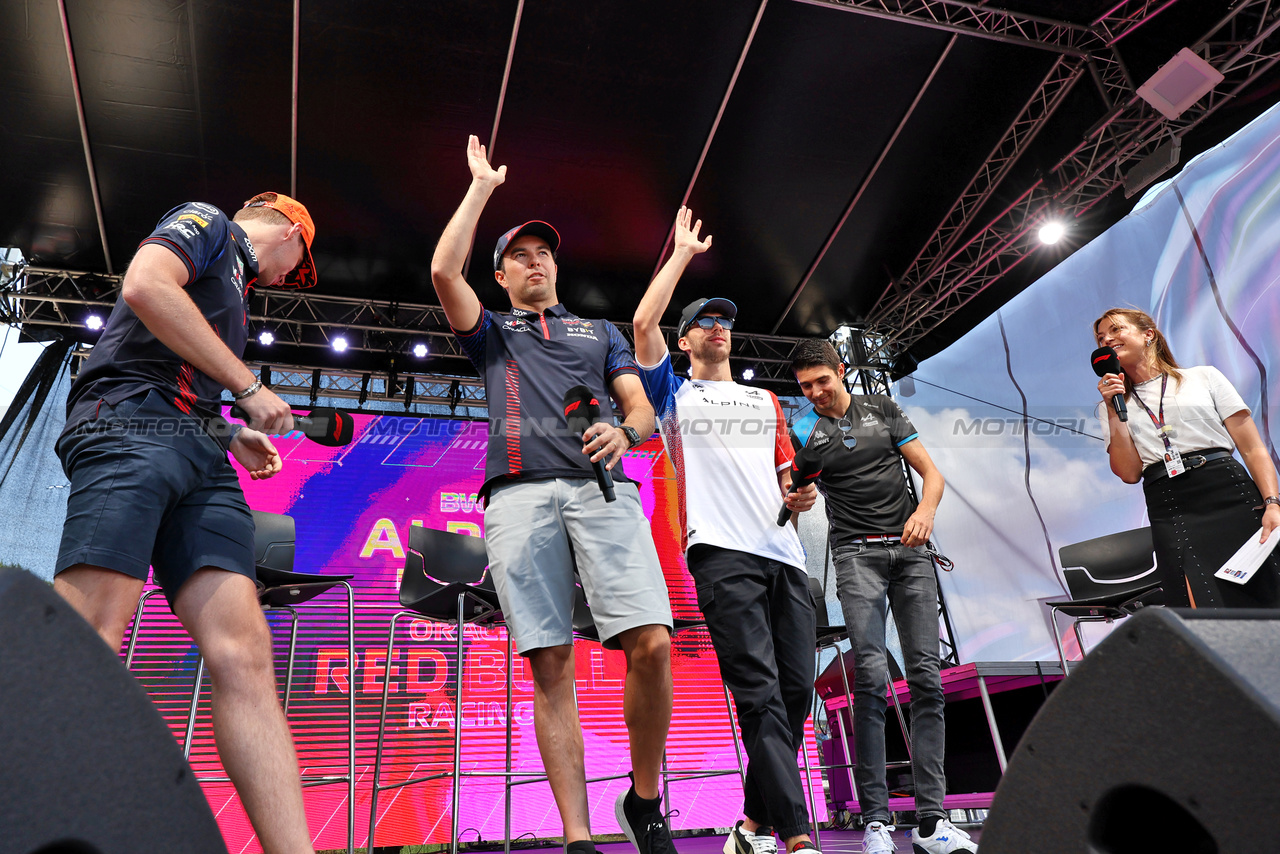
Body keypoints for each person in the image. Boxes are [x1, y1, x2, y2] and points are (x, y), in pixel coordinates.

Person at [431, 136, 676, 854]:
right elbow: (446, 268)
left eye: (546, 253)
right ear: (502, 275)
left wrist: (627, 437)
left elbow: (639, 410)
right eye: (522, 254)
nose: (537, 261)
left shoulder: (599, 332)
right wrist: (480, 188)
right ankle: (577, 836)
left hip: (604, 491)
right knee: (551, 661)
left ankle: (647, 797)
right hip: (517, 498)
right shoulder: (493, 333)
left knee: (653, 646)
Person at [53, 193, 318, 854]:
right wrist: (249, 391)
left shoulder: (236, 292)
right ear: (289, 231)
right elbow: (144, 286)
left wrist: (228, 434)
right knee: (89, 636)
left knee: (244, 652)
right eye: (298, 264)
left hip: (197, 451)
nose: (288, 279)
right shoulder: (208, 224)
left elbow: (181, 381)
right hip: (128, 422)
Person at [631, 207, 822, 854]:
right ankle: (797, 838)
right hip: (720, 556)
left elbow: (793, 486)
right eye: (705, 323)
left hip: (786, 556)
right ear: (686, 341)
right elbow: (642, 323)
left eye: (725, 322)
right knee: (762, 697)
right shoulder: (673, 396)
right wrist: (682, 253)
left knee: (796, 696)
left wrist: (803, 494)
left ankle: (750, 826)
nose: (718, 328)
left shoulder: (765, 401)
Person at [790, 340, 975, 854]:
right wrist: (797, 495)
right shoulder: (804, 429)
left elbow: (932, 475)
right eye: (806, 387)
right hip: (855, 558)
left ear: (840, 372)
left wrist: (925, 514)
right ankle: (875, 822)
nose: (816, 393)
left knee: (926, 680)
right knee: (870, 679)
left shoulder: (883, 409)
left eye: (822, 381)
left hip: (912, 553)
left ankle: (932, 822)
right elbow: (798, 491)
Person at [1094, 308, 1280, 607]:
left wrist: (1273, 502)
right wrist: (1115, 411)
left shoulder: (1203, 377)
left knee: (1266, 591)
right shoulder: (1111, 406)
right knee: (1201, 605)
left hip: (1227, 489)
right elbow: (1128, 473)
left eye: (1116, 330)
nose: (1107, 339)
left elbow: (1252, 447)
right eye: (1101, 338)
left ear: (1148, 334)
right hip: (1170, 503)